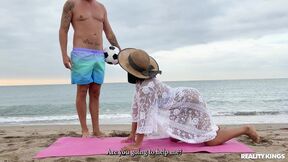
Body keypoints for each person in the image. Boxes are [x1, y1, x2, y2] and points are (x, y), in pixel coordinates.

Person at [118, 48, 260, 151]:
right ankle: (212, 128)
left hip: (189, 101)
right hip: (180, 102)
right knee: (175, 137)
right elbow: (136, 109)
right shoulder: (141, 85)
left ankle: (245, 129)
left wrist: (137, 144)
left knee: (210, 141)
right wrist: (132, 135)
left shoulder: (146, 88)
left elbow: (145, 115)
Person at [59, 0, 120, 137]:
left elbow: (109, 33)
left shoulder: (101, 7)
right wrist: (64, 54)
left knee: (95, 92)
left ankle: (96, 129)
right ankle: (84, 130)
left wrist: (121, 52)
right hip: (81, 53)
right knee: (82, 91)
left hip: (99, 55)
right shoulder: (71, 4)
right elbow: (63, 29)